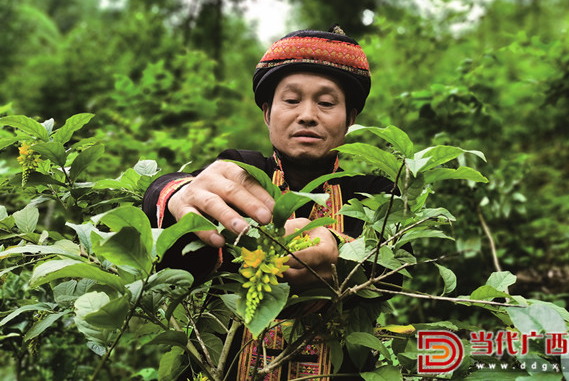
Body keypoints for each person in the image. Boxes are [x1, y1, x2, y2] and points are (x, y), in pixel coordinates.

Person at [142, 25, 399, 380]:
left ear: (350, 120)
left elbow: (392, 267)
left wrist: (341, 253)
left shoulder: (372, 193)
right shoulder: (241, 171)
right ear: (267, 113)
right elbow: (178, 200)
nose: (307, 115)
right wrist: (175, 193)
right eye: (291, 100)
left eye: (326, 103)